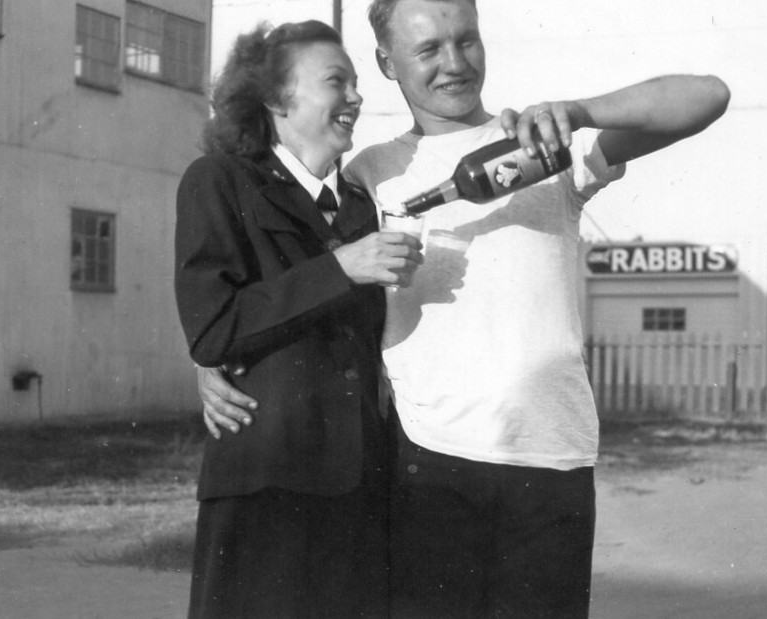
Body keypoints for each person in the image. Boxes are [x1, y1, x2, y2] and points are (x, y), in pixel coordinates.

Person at [197, 1, 731, 617]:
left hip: (549, 455)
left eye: (466, 41)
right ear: (386, 63)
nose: (454, 63)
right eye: (428, 50)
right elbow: (289, 280)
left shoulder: (543, 146)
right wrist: (217, 357)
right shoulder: (368, 175)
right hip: (426, 463)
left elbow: (708, 97)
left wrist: (580, 112)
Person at [174, 19, 422, 619]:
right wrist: (341, 268)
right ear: (276, 99)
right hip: (266, 490)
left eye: (357, 83)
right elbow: (211, 330)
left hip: (361, 491)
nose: (358, 98)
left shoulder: (363, 208)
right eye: (337, 82)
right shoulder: (218, 180)